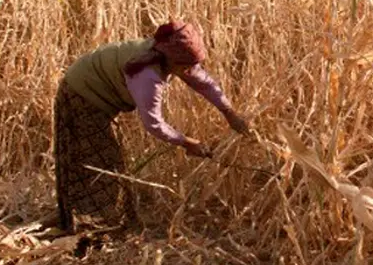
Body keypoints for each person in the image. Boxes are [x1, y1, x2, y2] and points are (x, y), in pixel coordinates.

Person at [53, 20, 249, 234]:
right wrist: (185, 142)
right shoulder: (147, 75)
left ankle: (93, 220)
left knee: (101, 160)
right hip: (82, 94)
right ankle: (92, 228)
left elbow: (203, 82)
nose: (189, 70)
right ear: (169, 60)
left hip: (88, 87)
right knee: (99, 165)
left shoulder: (167, 55)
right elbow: (153, 123)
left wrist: (229, 113)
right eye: (185, 66)